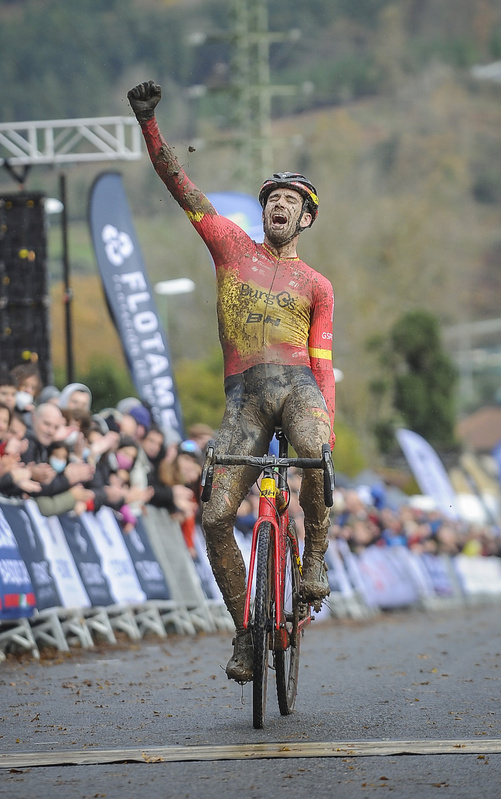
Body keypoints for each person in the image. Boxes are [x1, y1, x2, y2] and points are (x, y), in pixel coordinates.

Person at [128, 80, 336, 682]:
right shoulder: (229, 247)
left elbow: (322, 367)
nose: (277, 205)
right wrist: (150, 126)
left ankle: (315, 558)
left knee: (314, 451)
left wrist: (329, 426)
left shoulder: (318, 285)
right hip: (243, 397)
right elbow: (180, 184)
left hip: (297, 385)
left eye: (290, 200)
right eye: (271, 197)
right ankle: (247, 634)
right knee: (217, 515)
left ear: (306, 217)